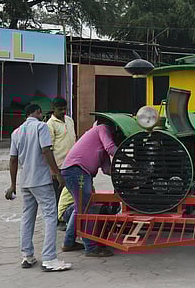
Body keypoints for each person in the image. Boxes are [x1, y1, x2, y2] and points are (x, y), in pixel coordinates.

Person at [6, 104, 71, 272]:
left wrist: (13, 184)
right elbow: (46, 150)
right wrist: (57, 173)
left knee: (28, 216)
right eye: (40, 112)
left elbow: (13, 160)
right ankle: (49, 258)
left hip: (25, 181)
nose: (42, 115)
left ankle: (27, 256)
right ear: (36, 113)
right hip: (41, 180)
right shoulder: (41, 126)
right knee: (50, 216)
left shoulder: (17, 132)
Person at [61, 120, 117, 257]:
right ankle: (91, 247)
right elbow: (111, 148)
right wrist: (128, 160)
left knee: (80, 208)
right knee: (87, 209)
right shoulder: (102, 128)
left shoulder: (99, 144)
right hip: (77, 171)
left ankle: (69, 243)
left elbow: (107, 169)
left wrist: (124, 174)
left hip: (77, 171)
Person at [46, 97, 76, 222]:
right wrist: (54, 171)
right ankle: (57, 220)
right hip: (58, 166)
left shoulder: (69, 120)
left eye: (65, 108)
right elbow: (49, 149)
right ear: (53, 109)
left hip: (71, 163)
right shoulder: (50, 124)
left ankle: (67, 217)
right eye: (60, 109)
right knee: (57, 194)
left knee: (70, 194)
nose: (63, 111)